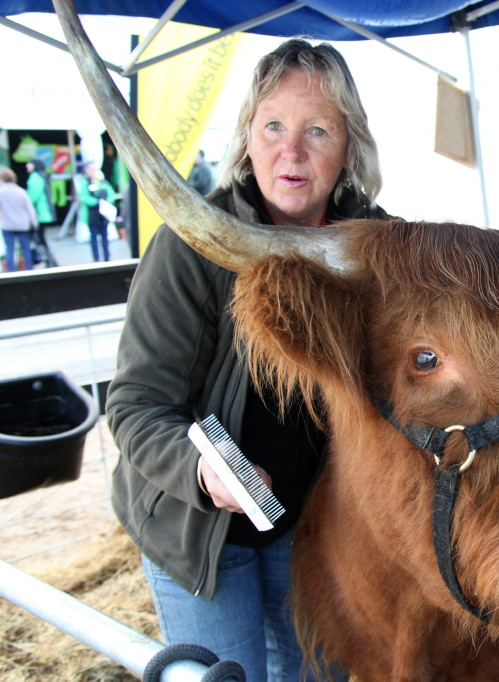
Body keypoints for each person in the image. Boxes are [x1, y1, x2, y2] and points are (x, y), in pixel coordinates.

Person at [106, 39, 388, 682]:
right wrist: (201, 471)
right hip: (198, 532)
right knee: (226, 674)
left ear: (349, 148)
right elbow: (133, 406)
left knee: (320, 673)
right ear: (247, 139)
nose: (291, 152)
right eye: (273, 127)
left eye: (318, 130)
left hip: (313, 529)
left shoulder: (378, 252)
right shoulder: (190, 246)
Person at [0, 168, 38, 272]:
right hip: (22, 224)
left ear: (2, 179)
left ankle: (11, 272)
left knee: (9, 249)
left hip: (7, 224)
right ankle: (30, 269)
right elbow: (30, 209)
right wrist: (34, 223)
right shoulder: (21, 192)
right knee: (26, 248)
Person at [75, 162, 117, 262]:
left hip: (103, 215)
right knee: (93, 238)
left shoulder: (102, 182)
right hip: (92, 214)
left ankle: (107, 257)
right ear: (87, 170)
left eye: (95, 169)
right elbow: (83, 197)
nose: (93, 171)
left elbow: (111, 194)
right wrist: (97, 202)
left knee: (105, 237)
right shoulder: (84, 183)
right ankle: (96, 259)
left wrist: (106, 202)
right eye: (91, 169)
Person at [25, 159, 58, 268]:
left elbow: (31, 198)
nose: (27, 165)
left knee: (40, 239)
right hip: (45, 213)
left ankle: (50, 261)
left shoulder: (35, 177)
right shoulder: (43, 176)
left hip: (39, 214)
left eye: (29, 163)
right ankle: (50, 261)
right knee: (42, 238)